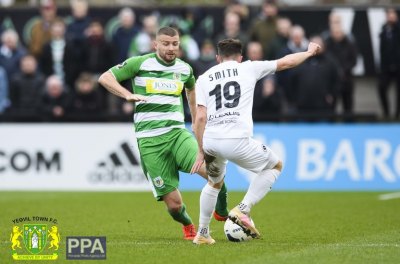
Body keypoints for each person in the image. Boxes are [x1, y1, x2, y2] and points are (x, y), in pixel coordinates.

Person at [98, 26, 229, 241]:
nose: (170, 48)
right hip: (150, 142)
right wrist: (127, 94)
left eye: (175, 44)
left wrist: (197, 121)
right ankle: (187, 224)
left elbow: (191, 90)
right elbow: (105, 78)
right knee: (175, 205)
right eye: (166, 44)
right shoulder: (139, 63)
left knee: (213, 172)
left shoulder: (185, 69)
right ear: (155, 44)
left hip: (177, 134)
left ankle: (222, 210)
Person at [190, 38, 320, 244]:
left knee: (214, 183)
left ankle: (203, 233)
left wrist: (200, 149)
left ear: (217, 58)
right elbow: (286, 62)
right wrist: (309, 52)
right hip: (236, 140)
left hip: (211, 141)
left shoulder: (204, 78)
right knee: (275, 165)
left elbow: (199, 117)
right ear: (240, 57)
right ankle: (243, 209)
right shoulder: (249, 68)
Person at [377, 7, 400, 119]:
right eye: (388, 14)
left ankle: (397, 114)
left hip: (398, 66)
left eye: (392, 14)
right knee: (381, 88)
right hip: (386, 67)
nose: (390, 16)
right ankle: (386, 112)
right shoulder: (384, 30)